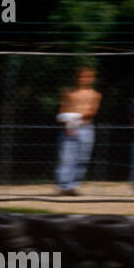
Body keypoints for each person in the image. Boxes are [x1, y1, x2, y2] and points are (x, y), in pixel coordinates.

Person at [55, 67, 101, 196]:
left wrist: (76, 117)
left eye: (88, 76)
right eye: (82, 76)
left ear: (93, 78)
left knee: (83, 158)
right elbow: (62, 110)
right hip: (69, 127)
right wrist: (68, 123)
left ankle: (74, 186)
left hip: (86, 128)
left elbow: (93, 111)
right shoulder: (69, 93)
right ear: (77, 77)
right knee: (66, 157)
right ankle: (64, 186)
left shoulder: (95, 94)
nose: (84, 79)